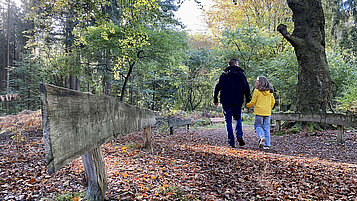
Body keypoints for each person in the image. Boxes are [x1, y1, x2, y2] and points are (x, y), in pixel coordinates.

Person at [213, 59, 251, 148]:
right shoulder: (241, 75)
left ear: (229, 65)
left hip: (225, 101)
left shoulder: (223, 75)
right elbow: (246, 88)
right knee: (237, 118)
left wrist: (215, 99)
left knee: (228, 121)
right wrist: (248, 100)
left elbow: (217, 87)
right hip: (238, 100)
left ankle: (231, 141)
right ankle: (239, 136)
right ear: (236, 64)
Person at [246, 76, 275, 149]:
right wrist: (269, 108)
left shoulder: (257, 91)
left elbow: (253, 102)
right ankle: (267, 145)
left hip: (259, 112)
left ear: (261, 82)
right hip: (267, 112)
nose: (256, 82)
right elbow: (273, 102)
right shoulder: (270, 91)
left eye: (257, 81)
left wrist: (247, 105)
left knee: (257, 126)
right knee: (266, 128)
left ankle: (262, 137)